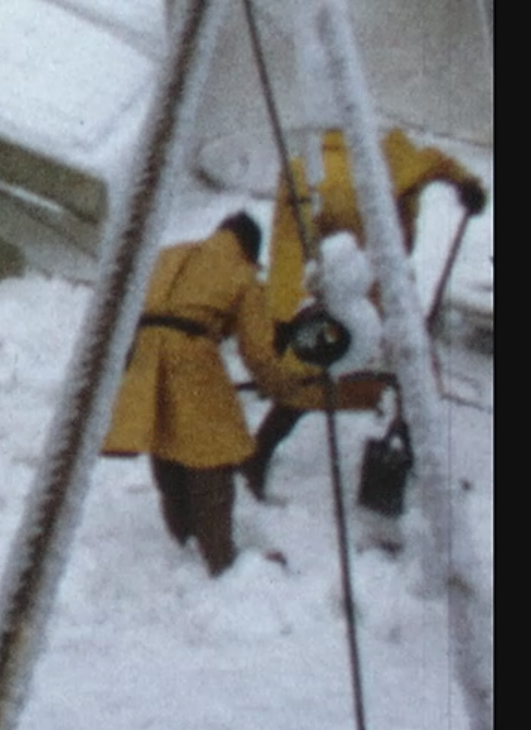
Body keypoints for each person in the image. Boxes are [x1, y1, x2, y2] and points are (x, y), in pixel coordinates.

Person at [247, 127, 489, 498]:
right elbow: (437, 163)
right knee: (413, 374)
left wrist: (282, 315)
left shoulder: (305, 172)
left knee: (313, 372)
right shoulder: (393, 158)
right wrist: (466, 184)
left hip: (340, 295)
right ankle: (418, 462)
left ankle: (259, 454)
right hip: (379, 293)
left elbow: (288, 251)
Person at [101, 213, 326, 576]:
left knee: (166, 438)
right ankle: (222, 561)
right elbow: (256, 353)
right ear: (250, 252)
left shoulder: (169, 254)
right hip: (189, 354)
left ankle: (183, 532)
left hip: (143, 350)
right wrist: (286, 386)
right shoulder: (243, 274)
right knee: (212, 454)